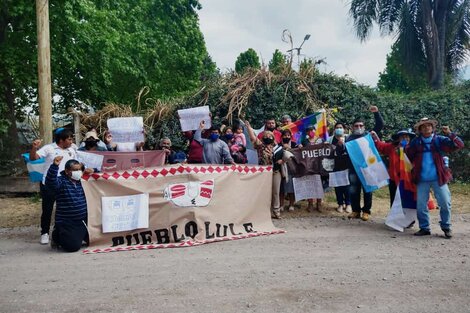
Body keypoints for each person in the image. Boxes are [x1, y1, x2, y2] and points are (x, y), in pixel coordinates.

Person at [406, 118, 464, 238]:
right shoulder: (416, 142)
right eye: (423, 126)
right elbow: (408, 155)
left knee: (445, 203)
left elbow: (459, 145)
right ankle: (424, 228)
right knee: (421, 206)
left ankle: (446, 227)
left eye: (429, 125)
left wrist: (449, 133)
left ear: (433, 128)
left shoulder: (440, 140)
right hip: (421, 179)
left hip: (439, 178)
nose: (427, 127)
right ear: (420, 130)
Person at [29, 128, 78, 245]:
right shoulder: (49, 148)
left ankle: (58, 231)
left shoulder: (72, 149)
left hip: (65, 185)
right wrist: (34, 148)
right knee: (47, 209)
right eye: (69, 139)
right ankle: (44, 233)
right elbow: (33, 158)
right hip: (49, 184)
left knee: (62, 209)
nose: (71, 141)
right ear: (61, 140)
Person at [338, 105, 384, 221]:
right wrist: (339, 145)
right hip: (353, 169)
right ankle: (356, 210)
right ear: (352, 127)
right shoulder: (348, 138)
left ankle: (366, 211)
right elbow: (341, 151)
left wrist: (376, 113)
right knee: (353, 190)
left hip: (367, 168)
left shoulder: (368, 136)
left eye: (361, 125)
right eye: (356, 126)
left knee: (368, 190)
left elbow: (380, 125)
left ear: (364, 127)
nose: (358, 127)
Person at [46, 156, 89, 252]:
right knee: (72, 247)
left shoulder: (82, 181)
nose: (78, 172)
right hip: (67, 222)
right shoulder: (61, 181)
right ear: (67, 171)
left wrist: (92, 170)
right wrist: (54, 166)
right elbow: (50, 182)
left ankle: (80, 235)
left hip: (82, 221)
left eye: (79, 169)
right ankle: (57, 235)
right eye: (75, 170)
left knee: (94, 241)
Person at [245, 120, 283, 218]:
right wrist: (248, 127)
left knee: (275, 192)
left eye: (270, 136)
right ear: (262, 137)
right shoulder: (260, 146)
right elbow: (252, 137)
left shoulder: (277, 147)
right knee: (264, 193)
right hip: (263, 173)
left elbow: (285, 155)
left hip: (275, 171)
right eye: (265, 136)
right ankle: (264, 211)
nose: (268, 137)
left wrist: (282, 161)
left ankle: (276, 211)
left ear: (273, 137)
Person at [371, 128, 416, 207]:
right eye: (402, 137)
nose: (405, 139)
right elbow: (380, 146)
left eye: (407, 137)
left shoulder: (414, 148)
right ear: (399, 138)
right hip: (394, 179)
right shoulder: (392, 147)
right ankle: (395, 218)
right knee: (394, 200)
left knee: (409, 200)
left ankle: (410, 218)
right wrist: (375, 137)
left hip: (409, 179)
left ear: (410, 138)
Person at [328, 122, 352, 213]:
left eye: (341, 127)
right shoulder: (330, 139)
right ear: (334, 129)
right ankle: (340, 204)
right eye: (337, 127)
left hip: (346, 166)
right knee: (337, 186)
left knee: (347, 186)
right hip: (335, 166)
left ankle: (349, 204)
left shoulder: (348, 138)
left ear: (344, 129)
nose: (339, 129)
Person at [302, 125, 325, 212]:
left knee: (319, 184)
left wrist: (325, 145)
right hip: (309, 166)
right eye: (308, 130)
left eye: (312, 130)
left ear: (315, 130)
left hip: (319, 165)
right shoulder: (305, 141)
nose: (310, 131)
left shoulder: (321, 140)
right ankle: (310, 203)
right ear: (306, 132)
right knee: (310, 184)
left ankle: (319, 204)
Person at [278, 130, 297, 212]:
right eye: (285, 135)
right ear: (281, 137)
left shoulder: (294, 144)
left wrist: (290, 149)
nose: (286, 137)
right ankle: (281, 205)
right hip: (280, 168)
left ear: (290, 136)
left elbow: (297, 155)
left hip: (291, 168)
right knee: (281, 188)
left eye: (288, 135)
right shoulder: (278, 145)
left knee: (291, 187)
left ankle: (291, 204)